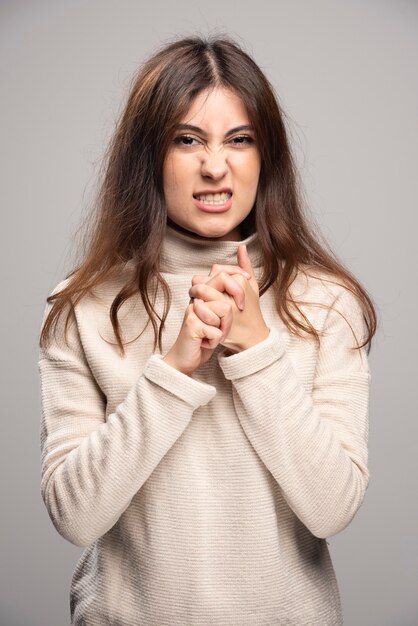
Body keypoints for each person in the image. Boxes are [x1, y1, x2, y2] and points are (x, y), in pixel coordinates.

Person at [38, 34, 377, 626]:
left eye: (239, 140)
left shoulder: (325, 302)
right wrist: (171, 371)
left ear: (265, 156)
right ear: (149, 155)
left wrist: (258, 351)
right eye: (187, 139)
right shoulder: (84, 307)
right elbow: (75, 515)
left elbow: (333, 509)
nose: (215, 166)